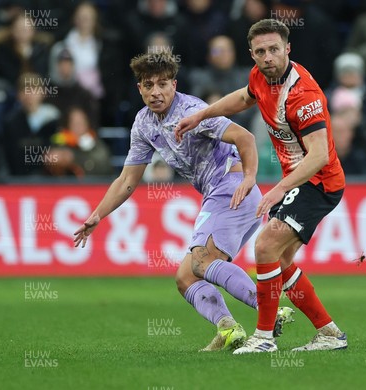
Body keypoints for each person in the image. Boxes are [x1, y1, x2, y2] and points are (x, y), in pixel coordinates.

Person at [73, 51, 291, 352]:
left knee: (202, 261)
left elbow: (245, 138)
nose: (155, 92)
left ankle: (269, 309)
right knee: (185, 277)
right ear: (140, 89)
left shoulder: (192, 110)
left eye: (162, 84)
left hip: (231, 188)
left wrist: (249, 177)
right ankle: (229, 328)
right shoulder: (144, 123)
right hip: (222, 194)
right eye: (148, 85)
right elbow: (126, 181)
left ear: (174, 85)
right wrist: (98, 214)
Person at [175, 19, 348, 354]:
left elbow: (319, 155)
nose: (268, 57)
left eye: (273, 49)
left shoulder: (304, 95)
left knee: (266, 245)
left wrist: (278, 189)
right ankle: (328, 333)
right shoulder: (260, 77)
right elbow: (242, 97)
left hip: (318, 181)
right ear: (252, 55)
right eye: (260, 52)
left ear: (287, 49)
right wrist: (201, 115)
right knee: (280, 261)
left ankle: (264, 338)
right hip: (300, 181)